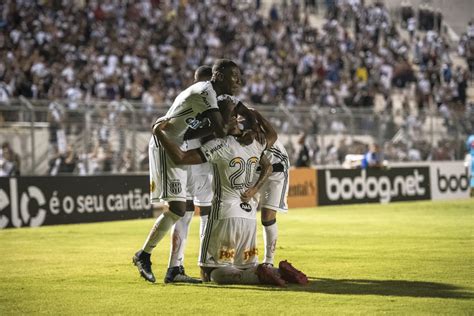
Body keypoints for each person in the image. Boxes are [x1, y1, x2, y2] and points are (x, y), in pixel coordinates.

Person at [153, 108, 307, 286]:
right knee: (245, 266)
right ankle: (277, 272)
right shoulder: (255, 142)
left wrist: (159, 132)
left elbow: (180, 157)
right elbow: (271, 141)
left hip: (224, 214)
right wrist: (253, 189)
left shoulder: (219, 145)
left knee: (209, 273)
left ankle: (258, 277)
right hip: (249, 217)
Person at [133, 59, 239, 284]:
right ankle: (143, 255)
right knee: (178, 208)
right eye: (233, 76)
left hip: (179, 144)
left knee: (185, 208)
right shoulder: (204, 91)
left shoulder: (208, 94)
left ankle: (174, 269)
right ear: (218, 76)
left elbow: (195, 132)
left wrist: (226, 123)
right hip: (166, 145)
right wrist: (229, 119)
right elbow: (220, 130)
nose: (237, 81)